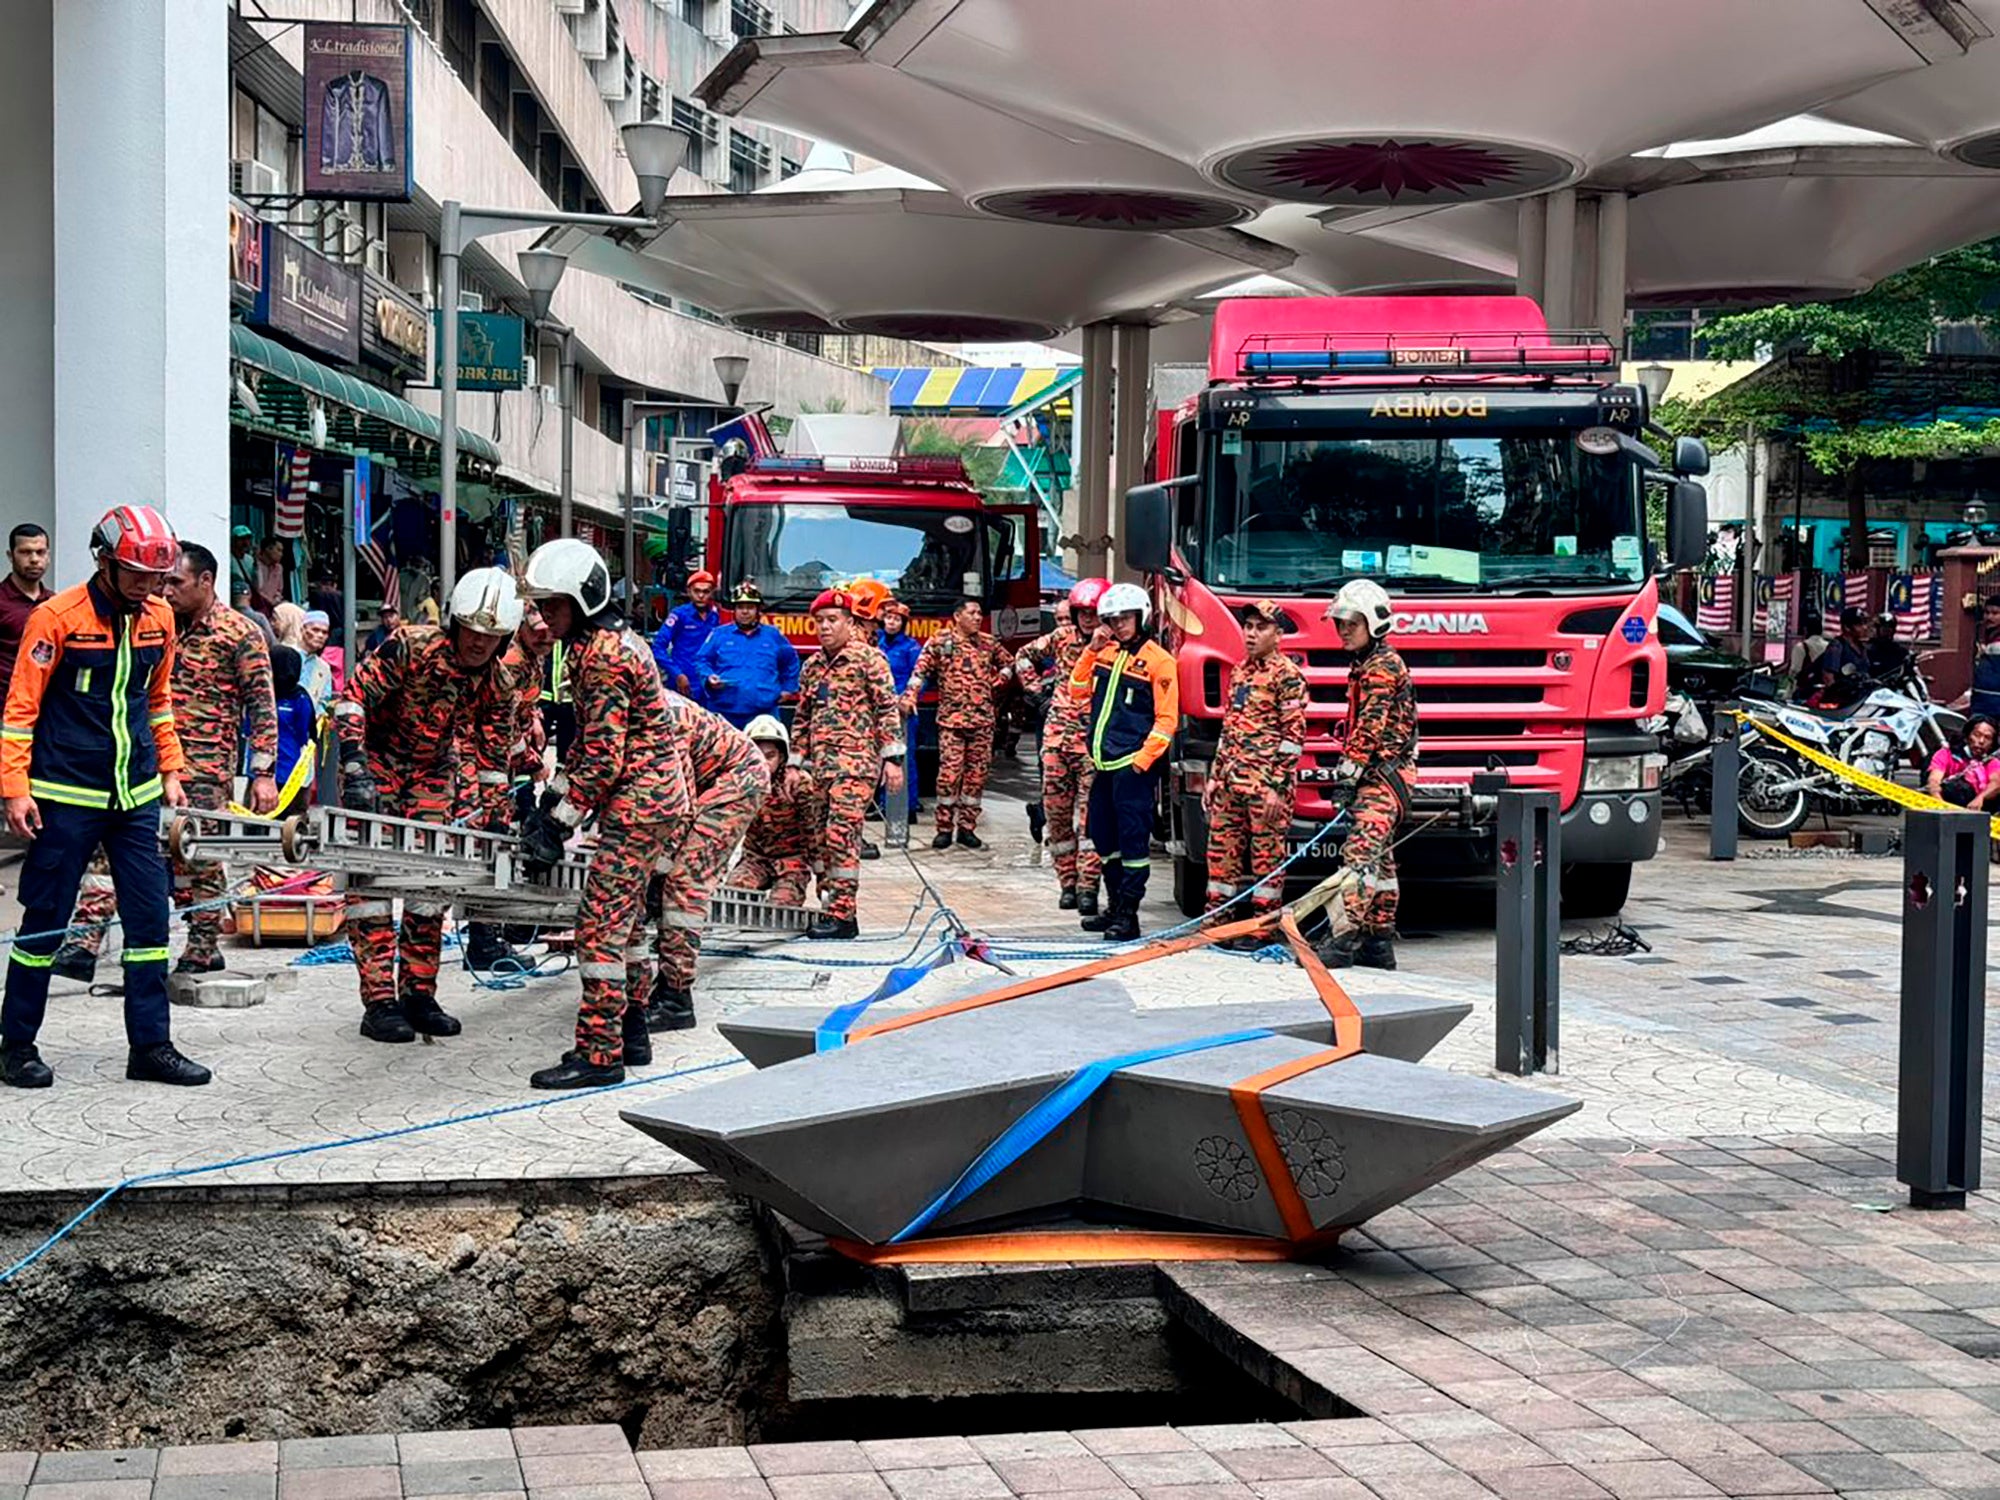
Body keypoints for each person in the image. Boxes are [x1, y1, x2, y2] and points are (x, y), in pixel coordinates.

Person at [0, 506, 210, 1089]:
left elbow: (157, 698)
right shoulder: (55, 618)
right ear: (105, 562)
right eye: (137, 574)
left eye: (156, 577)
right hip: (65, 794)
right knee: (45, 922)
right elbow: (20, 711)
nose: (148, 586)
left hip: (136, 795)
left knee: (149, 923)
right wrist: (14, 789)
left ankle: (151, 1046)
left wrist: (171, 767)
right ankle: (16, 1044)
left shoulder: (160, 618)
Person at [59, 543, 282, 978]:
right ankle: (84, 941)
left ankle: (202, 944)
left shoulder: (240, 633)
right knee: (111, 847)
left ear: (206, 581)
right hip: (142, 759)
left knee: (196, 854)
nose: (166, 590)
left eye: (176, 582)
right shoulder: (153, 624)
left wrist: (263, 772)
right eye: (164, 582)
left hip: (205, 767)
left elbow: (262, 705)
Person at [518, 538, 691, 1088]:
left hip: (638, 805)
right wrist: (553, 800)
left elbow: (601, 756)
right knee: (630, 922)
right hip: (654, 799)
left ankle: (599, 1054)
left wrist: (556, 824)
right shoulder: (609, 643)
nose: (544, 618)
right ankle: (633, 1029)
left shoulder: (603, 656)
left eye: (552, 605)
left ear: (583, 599)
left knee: (599, 930)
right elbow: (589, 745)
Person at [335, 567, 523, 1044]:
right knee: (370, 880)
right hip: (375, 757)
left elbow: (493, 759)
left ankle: (418, 991)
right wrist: (355, 767)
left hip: (432, 771)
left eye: (492, 636)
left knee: (429, 882)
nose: (479, 644)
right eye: (473, 632)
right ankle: (378, 1001)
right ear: (456, 624)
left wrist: (499, 819)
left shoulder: (499, 685)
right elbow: (353, 699)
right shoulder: (411, 647)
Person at [642, 692, 770, 1032]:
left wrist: (660, 869)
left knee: (684, 883)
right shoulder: (625, 710)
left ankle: (676, 999)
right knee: (666, 876)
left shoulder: (666, 718)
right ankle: (664, 984)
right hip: (708, 784)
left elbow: (677, 806)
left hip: (739, 781)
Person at [792, 588, 906, 940]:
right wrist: (795, 764)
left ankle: (844, 916)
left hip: (856, 764)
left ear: (849, 623)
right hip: (820, 768)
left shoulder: (869, 660)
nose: (825, 628)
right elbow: (802, 716)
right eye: (819, 622)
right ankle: (830, 902)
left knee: (841, 836)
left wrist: (893, 760)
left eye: (832, 621)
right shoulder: (812, 667)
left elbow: (887, 710)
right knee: (819, 838)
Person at [1317, 579, 1417, 971]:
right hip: (1383, 777)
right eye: (1339, 623)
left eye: (1351, 624)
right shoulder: (1368, 665)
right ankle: (1377, 942)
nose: (1343, 630)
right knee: (1383, 863)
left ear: (1373, 624)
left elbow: (1370, 728)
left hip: (1382, 778)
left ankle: (1341, 941)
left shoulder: (1380, 668)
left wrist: (1347, 777)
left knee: (1358, 857)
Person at [1070, 582, 1177, 942]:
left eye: (1125, 619)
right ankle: (1114, 906)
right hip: (1103, 765)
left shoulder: (1160, 661)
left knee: (1133, 844)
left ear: (1142, 617)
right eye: (1113, 620)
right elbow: (1076, 690)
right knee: (1103, 836)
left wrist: (1142, 761)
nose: (1119, 626)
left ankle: (1129, 915)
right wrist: (1091, 650)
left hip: (1132, 767)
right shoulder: (1106, 653)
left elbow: (1167, 720)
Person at [1205, 600, 1308, 947]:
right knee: (1220, 857)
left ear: (1278, 634)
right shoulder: (1239, 671)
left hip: (1265, 787)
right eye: (1248, 626)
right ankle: (1219, 924)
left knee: (1266, 861)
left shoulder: (1287, 676)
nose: (1251, 633)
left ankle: (1263, 929)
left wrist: (1277, 787)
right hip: (1231, 784)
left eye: (1260, 627)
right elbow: (1229, 728)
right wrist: (1215, 775)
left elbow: (1293, 738)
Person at [1017, 579, 1107, 913]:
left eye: (1092, 613)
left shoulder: (1114, 646)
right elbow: (1023, 656)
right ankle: (1067, 883)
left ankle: (1088, 887)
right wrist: (1036, 693)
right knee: (1056, 819)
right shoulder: (1060, 638)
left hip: (1091, 747)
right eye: (1081, 613)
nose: (1086, 619)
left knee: (1090, 822)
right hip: (1057, 743)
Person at [905, 597, 1014, 850]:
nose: (977, 617)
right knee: (948, 777)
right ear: (957, 616)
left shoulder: (988, 643)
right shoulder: (941, 642)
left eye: (979, 613)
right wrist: (911, 696)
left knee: (976, 778)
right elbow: (920, 672)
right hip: (951, 723)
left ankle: (967, 828)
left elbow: (1010, 663)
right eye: (972, 613)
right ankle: (944, 828)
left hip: (982, 723)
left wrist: (997, 682)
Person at [727, 715, 811, 906]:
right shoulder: (738, 783)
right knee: (734, 896)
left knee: (781, 908)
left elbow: (814, 832)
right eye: (758, 754)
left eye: (770, 755)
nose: (764, 762)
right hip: (755, 858)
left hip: (792, 860)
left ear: (782, 756)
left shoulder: (799, 784)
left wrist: (823, 876)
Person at [692, 581, 799, 728]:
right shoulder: (719, 634)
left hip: (764, 713)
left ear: (758, 610)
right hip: (724, 712)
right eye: (740, 607)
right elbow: (701, 660)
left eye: (750, 607)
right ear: (734, 611)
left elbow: (791, 662)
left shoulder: (773, 635)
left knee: (764, 751)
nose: (745, 612)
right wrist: (708, 677)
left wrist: (788, 688)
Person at [875, 598, 923, 821]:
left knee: (904, 759)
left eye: (896, 619)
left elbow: (921, 677)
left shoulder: (911, 647)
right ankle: (883, 805)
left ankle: (909, 807)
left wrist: (908, 698)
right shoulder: (877, 644)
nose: (892, 623)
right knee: (879, 759)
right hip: (879, 709)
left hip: (903, 711)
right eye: (889, 618)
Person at [652, 569, 721, 704]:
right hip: (683, 683)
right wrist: (677, 674)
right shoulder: (679, 615)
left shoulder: (716, 616)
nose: (701, 595)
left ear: (712, 593)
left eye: (706, 591)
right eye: (697, 591)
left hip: (708, 684)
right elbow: (658, 647)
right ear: (689, 591)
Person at [267, 645, 320, 816]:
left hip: (289, 772)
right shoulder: (263, 696)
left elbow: (304, 734)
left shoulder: (300, 698)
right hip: (262, 771)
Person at [0, 523, 51, 690]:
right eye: (25, 552)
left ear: (48, 556)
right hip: (5, 708)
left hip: (45, 707)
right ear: (10, 555)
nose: (34, 559)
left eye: (40, 552)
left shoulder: (55, 604)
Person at [1802, 607, 1875, 709]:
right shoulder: (1837, 646)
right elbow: (1828, 678)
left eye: (1865, 623)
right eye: (1859, 624)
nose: (1865, 628)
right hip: (1842, 705)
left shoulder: (1862, 648)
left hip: (1860, 701)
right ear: (1847, 627)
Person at [1927, 715, 2000, 809]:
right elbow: (1934, 779)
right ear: (1966, 736)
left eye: (1987, 738)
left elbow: (1996, 783)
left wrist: (1980, 798)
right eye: (1977, 735)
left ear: (1992, 745)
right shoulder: (1946, 754)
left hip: (1981, 806)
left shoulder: (1991, 761)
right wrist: (1938, 800)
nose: (1981, 741)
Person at [299, 609, 337, 706]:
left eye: (324, 632)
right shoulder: (287, 657)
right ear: (303, 629)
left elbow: (324, 700)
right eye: (315, 630)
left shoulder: (324, 667)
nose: (320, 635)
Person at [1972, 593, 2000, 721]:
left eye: (1995, 613)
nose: (1989, 617)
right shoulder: (1988, 637)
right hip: (1982, 701)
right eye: (1987, 613)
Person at [1785, 611, 1828, 683]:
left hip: (1804, 689)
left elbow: (1794, 672)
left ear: (1806, 630)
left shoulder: (1801, 647)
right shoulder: (1829, 647)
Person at [253, 536, 286, 616]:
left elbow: (279, 589)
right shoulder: (256, 565)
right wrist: (270, 601)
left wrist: (276, 600)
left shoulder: (279, 568)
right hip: (259, 607)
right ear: (268, 549)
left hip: (274, 607)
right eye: (278, 550)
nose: (281, 554)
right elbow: (257, 589)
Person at [228, 526, 258, 611]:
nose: (245, 542)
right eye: (241, 539)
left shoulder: (250, 559)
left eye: (248, 539)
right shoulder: (228, 558)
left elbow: (255, 584)